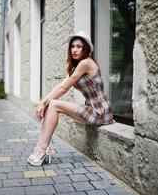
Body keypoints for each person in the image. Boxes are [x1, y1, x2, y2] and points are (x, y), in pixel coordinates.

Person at [27, 30, 115, 166]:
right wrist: (43, 102)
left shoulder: (86, 63)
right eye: (72, 46)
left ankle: (42, 150)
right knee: (52, 104)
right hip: (91, 110)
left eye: (79, 46)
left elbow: (64, 89)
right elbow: (60, 85)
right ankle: (41, 147)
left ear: (85, 48)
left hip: (100, 113)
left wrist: (43, 103)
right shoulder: (77, 67)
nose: (74, 50)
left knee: (54, 104)